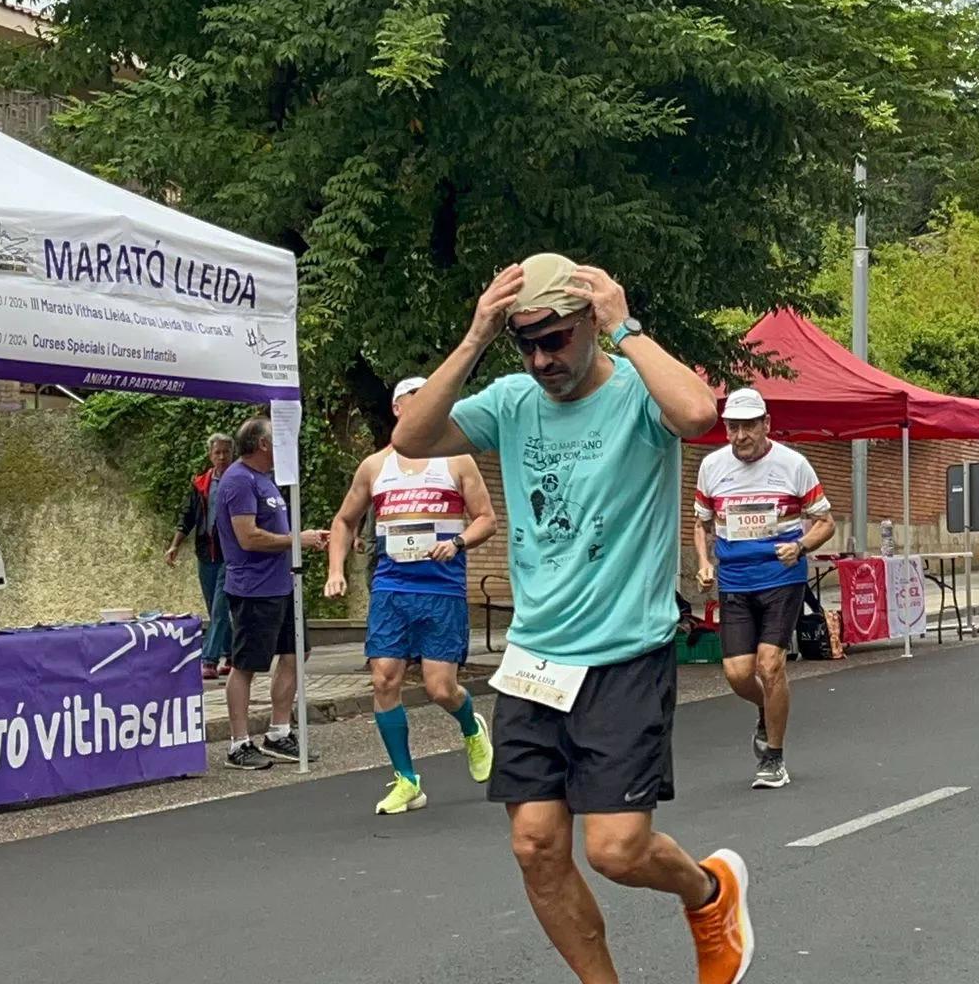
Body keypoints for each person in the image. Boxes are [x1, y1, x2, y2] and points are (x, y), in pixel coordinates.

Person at [392, 253, 753, 984]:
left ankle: (710, 894)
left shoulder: (637, 396)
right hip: (535, 660)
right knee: (535, 845)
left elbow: (697, 413)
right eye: (525, 343)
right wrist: (475, 337)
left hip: (624, 653)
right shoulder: (510, 402)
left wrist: (627, 326)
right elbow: (411, 440)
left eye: (554, 339)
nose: (540, 360)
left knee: (616, 850)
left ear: (590, 321)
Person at [325, 376, 499, 814]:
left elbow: (486, 518)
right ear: (397, 409)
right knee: (384, 678)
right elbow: (344, 520)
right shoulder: (374, 466)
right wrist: (335, 570)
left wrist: (458, 542)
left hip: (441, 589)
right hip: (392, 587)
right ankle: (407, 780)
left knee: (441, 689)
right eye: (414, 401)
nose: (425, 407)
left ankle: (471, 726)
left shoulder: (457, 461)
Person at [693, 388, 834, 791]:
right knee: (738, 674)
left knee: (769, 665)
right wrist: (704, 563)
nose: (740, 436)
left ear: (766, 425)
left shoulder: (793, 464)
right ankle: (765, 707)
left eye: (749, 427)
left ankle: (774, 757)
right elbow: (701, 523)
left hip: (781, 578)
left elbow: (825, 522)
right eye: (732, 428)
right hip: (735, 581)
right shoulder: (712, 467)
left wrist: (800, 545)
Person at [215, 416, 329, 770]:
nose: (284, 445)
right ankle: (238, 744)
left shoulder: (266, 480)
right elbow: (248, 537)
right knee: (246, 664)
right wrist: (298, 540)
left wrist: (305, 539)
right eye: (277, 439)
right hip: (254, 589)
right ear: (263, 444)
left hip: (282, 584)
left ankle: (279, 733)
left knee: (296, 652)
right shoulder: (238, 480)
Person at [165, 432, 234, 680]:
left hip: (231, 554)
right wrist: (174, 545)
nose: (222, 457)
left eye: (226, 452)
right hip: (206, 552)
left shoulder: (240, 480)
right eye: (217, 453)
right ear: (210, 455)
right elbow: (187, 517)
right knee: (213, 606)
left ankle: (209, 660)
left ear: (232, 454)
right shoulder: (200, 485)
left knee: (220, 607)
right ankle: (232, 654)